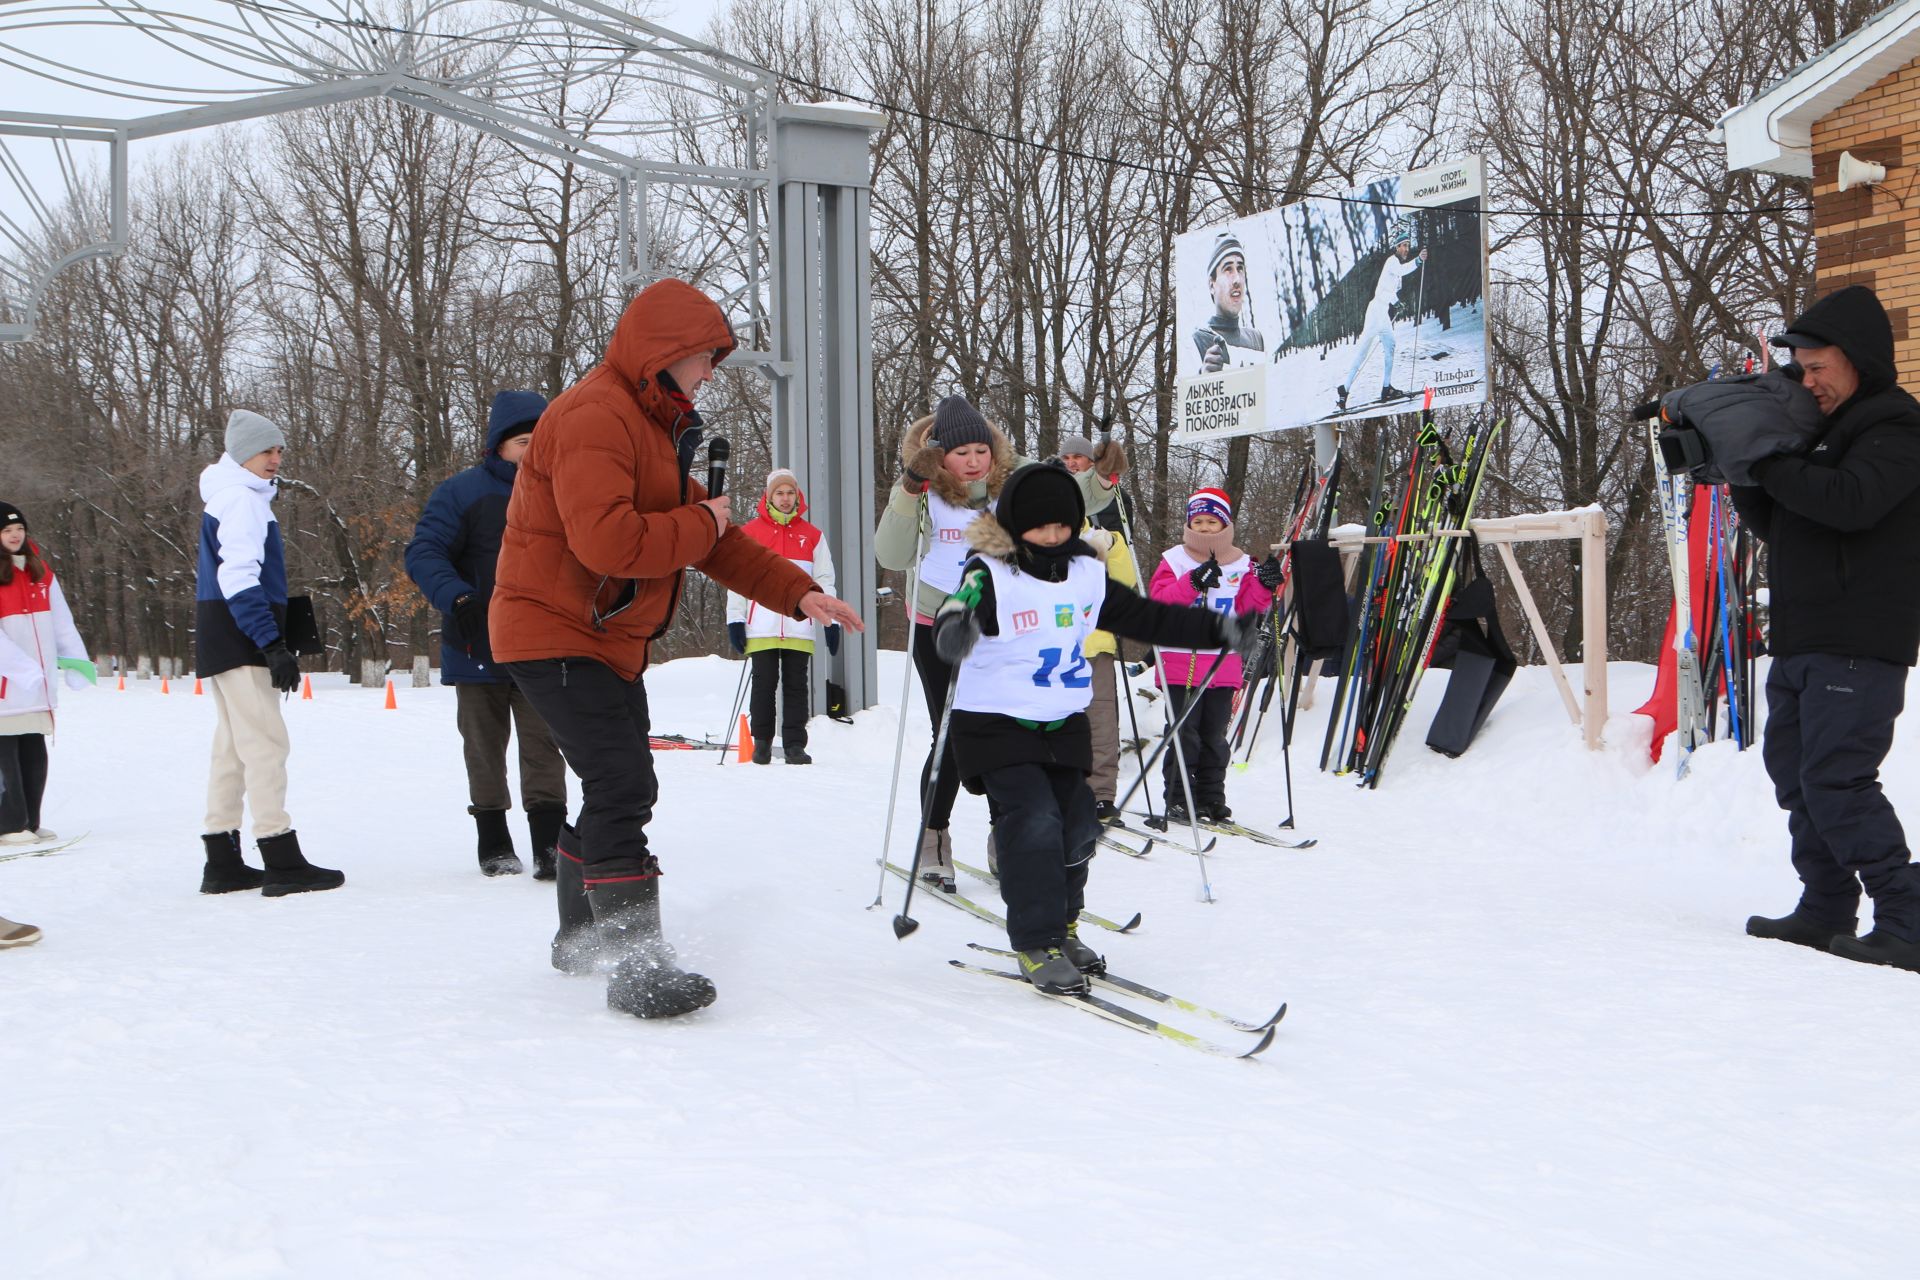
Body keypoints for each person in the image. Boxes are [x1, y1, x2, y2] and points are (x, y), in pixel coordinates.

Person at [493, 277, 865, 1021]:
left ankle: (579, 933)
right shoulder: (597, 417)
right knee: (624, 782)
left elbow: (716, 539)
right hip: (555, 630)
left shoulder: (646, 422)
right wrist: (703, 520)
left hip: (601, 637)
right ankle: (635, 963)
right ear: (662, 354)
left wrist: (797, 592)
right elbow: (613, 542)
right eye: (703, 358)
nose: (709, 373)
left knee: (618, 783)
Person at [931, 463, 1258, 992]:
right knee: (1033, 823)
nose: (1054, 537)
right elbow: (958, 605)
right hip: (995, 725)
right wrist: (954, 627)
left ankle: (1064, 925)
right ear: (1016, 526)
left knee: (1079, 825)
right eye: (1041, 528)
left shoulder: (1084, 573)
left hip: (1062, 722)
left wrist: (1219, 629)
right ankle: (1036, 942)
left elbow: (1149, 619)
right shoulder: (988, 572)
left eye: (1063, 526)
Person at [1732, 284, 1920, 973]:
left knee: (1838, 777)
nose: (1808, 383)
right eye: (1801, 371)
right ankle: (1826, 905)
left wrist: (1773, 461)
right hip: (1804, 637)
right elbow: (1784, 525)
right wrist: (1740, 469)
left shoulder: (1896, 427)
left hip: (1858, 641)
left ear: (1859, 360)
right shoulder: (1819, 434)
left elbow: (1850, 503)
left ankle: (1908, 916)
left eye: (1818, 369)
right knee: (1796, 775)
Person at [874, 396, 1126, 891]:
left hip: (1004, 619)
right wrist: (909, 487)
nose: (974, 461)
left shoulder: (1013, 478)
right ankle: (933, 836)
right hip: (939, 621)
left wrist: (1103, 479)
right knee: (949, 731)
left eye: (981, 450)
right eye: (962, 452)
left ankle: (1005, 833)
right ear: (941, 454)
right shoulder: (924, 485)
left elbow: (1070, 497)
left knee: (1006, 728)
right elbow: (891, 551)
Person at [406, 390, 569, 879]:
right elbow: (424, 552)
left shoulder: (564, 490)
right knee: (484, 746)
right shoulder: (462, 492)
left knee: (545, 744)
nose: (534, 448)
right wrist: (458, 598)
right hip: (476, 640)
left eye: (542, 438)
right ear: (499, 446)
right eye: (524, 440)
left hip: (544, 643)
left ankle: (549, 847)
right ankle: (494, 843)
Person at [195, 410, 344, 897]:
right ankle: (280, 856)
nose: (276, 459)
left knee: (233, 748)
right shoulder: (242, 501)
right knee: (265, 743)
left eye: (279, 450)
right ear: (242, 455)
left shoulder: (232, 497)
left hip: (225, 633)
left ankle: (222, 861)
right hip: (242, 634)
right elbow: (237, 575)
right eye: (266, 451)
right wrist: (271, 642)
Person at [1147, 488, 1280, 826]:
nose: (1204, 528)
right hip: (1182, 662)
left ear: (1225, 524)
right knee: (1184, 733)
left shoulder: (1242, 562)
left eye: (1212, 521)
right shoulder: (1175, 559)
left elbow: (1246, 610)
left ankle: (1211, 798)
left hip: (1222, 663)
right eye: (1198, 521)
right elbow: (1159, 601)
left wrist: (1264, 585)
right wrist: (1192, 581)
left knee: (1214, 737)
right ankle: (1178, 798)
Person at [726, 468, 839, 765]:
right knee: (764, 683)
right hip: (760, 624)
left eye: (790, 493)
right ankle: (761, 743)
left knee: (796, 686)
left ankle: (794, 745)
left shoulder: (812, 535)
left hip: (800, 625)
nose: (785, 499)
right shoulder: (750, 533)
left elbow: (825, 578)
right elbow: (737, 578)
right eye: (779, 493)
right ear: (769, 496)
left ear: (797, 496)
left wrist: (830, 617)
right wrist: (735, 619)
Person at [0, 501, 93, 844]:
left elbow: (61, 621)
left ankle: (30, 821)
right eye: (7, 530)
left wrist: (77, 660)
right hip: (7, 688)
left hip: (38, 688)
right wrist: (23, 670)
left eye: (19, 529)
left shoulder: (40, 571)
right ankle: (8, 824)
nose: (14, 535)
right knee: (5, 755)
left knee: (34, 752)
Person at [1054, 437, 1135, 821]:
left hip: (1095, 636)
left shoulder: (1109, 510)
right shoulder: (1040, 529)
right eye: (1066, 459)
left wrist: (1112, 546)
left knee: (1101, 718)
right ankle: (1061, 789)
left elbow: (1125, 577)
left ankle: (1101, 793)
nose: (1072, 464)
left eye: (1078, 459)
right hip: (1052, 639)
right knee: (1056, 719)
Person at [1335, 220, 1426, 411]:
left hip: (1382, 312)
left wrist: (1396, 301)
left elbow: (1390, 288)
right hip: (1376, 311)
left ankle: (1385, 388)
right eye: (1404, 246)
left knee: (1390, 346)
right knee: (1363, 352)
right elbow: (1384, 289)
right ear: (1397, 247)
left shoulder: (1396, 268)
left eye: (1408, 246)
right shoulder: (1392, 262)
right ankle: (1345, 388)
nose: (1407, 249)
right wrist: (1418, 261)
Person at [1193, 232, 1265, 374]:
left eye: (1240, 268)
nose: (1237, 279)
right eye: (1228, 269)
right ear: (1212, 285)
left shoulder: (1256, 338)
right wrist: (1203, 377)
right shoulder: (1199, 339)